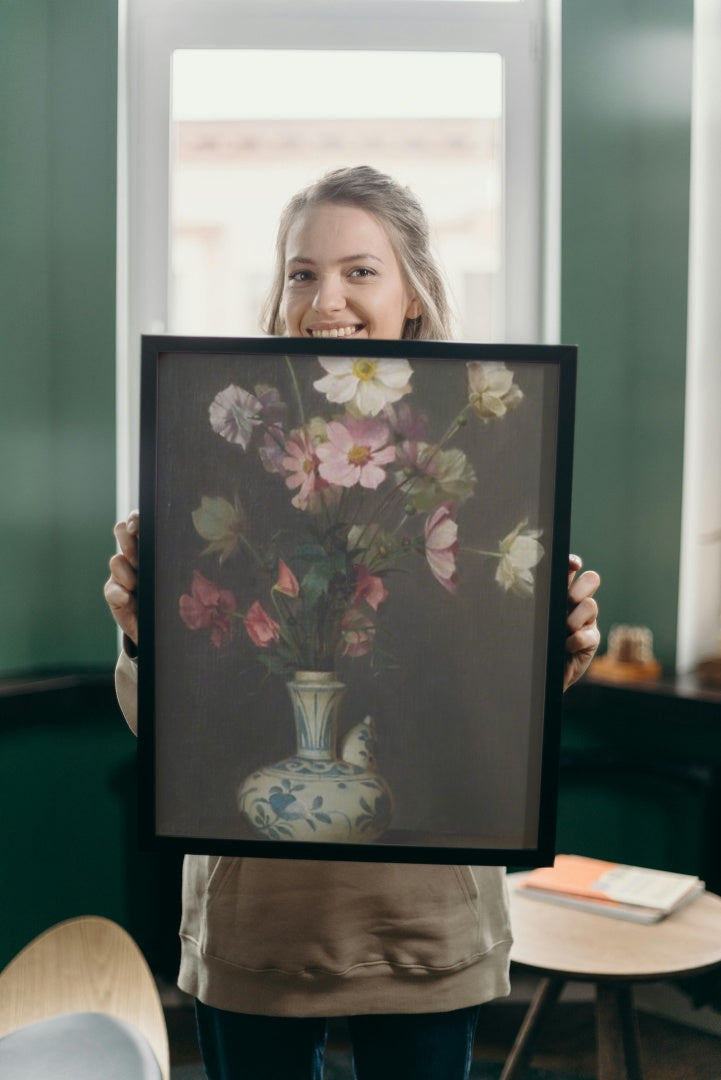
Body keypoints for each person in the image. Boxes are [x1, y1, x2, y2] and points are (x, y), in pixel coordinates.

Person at [105, 166, 601, 1080]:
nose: (324, 298)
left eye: (358, 271)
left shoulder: (484, 457)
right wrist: (144, 638)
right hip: (258, 922)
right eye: (301, 272)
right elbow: (170, 728)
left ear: (412, 292)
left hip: (422, 919)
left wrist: (555, 649)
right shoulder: (216, 453)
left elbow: (487, 712)